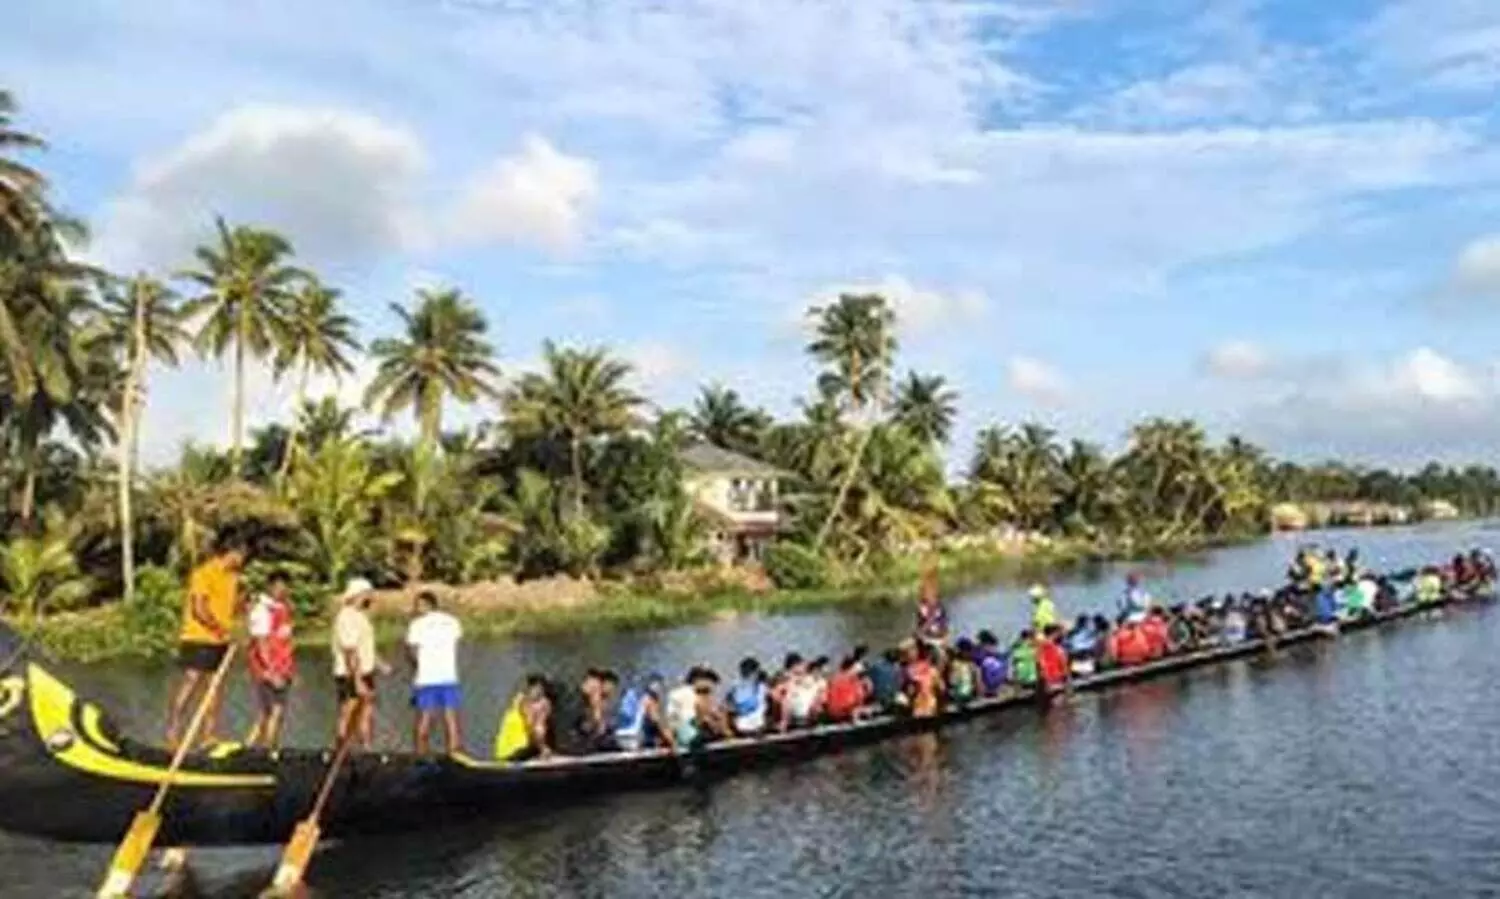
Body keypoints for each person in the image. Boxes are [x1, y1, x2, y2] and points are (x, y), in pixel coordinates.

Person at [167, 535, 247, 751]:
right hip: (198, 637)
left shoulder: (233, 578)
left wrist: (242, 606)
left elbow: (231, 607)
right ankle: (173, 732)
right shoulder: (204, 573)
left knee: (214, 688)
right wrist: (219, 629)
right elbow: (199, 609)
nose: (243, 558)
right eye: (241, 553)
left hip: (220, 640)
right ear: (231, 552)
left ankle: (208, 735)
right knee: (191, 682)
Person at [406, 590, 464, 755]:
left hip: (426, 678)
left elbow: (412, 652)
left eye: (418, 605)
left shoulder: (416, 624)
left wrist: (416, 669)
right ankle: (454, 755)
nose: (416, 609)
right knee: (451, 719)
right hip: (449, 676)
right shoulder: (453, 621)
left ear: (427, 605)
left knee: (424, 719)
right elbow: (455, 646)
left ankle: (420, 756)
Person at [332, 578, 387, 750]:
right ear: (359, 594)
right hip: (350, 673)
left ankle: (366, 748)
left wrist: (379, 663)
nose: (371, 597)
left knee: (366, 711)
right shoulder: (346, 617)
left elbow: (365, 645)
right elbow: (350, 650)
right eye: (368, 593)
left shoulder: (360, 616)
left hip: (365, 671)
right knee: (349, 711)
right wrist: (357, 680)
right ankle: (341, 749)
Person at [245, 573, 295, 749]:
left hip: (283, 668)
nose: (283, 591)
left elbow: (285, 640)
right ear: (271, 586)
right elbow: (261, 643)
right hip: (268, 670)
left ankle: (250, 747)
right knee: (275, 710)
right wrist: (271, 671)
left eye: (285, 587)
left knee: (267, 713)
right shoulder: (263, 610)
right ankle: (269, 751)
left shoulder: (282, 608)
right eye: (279, 587)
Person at [494, 674, 553, 761]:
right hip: (519, 749)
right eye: (539, 688)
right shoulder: (535, 705)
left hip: (503, 752)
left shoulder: (518, 700)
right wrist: (543, 748)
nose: (540, 692)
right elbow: (533, 728)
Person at [614, 673, 672, 751]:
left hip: (621, 736)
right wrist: (672, 742)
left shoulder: (632, 696)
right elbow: (657, 721)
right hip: (636, 739)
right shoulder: (649, 699)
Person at [575, 669, 620, 751]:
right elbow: (597, 730)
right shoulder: (577, 703)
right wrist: (597, 708)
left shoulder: (604, 703)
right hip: (582, 746)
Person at [727, 658, 770, 735]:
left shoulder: (734, 686)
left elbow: (729, 703)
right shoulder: (761, 686)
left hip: (740, 725)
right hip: (759, 724)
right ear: (756, 672)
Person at [825, 656, 869, 722]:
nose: (856, 669)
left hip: (837, 712)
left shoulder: (836, 678)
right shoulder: (850, 680)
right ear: (851, 668)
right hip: (844, 713)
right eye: (855, 667)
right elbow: (858, 698)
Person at [904, 642, 942, 718]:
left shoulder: (910, 670)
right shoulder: (933, 670)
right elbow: (941, 688)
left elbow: (910, 691)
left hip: (918, 709)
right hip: (931, 707)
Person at [915, 567, 950, 647]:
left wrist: (945, 638)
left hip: (939, 638)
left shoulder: (939, 607)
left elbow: (944, 623)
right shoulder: (922, 608)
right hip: (927, 639)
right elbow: (920, 624)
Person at [1036, 625, 1069, 695]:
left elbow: (1040, 666)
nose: (1061, 635)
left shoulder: (1040, 648)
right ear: (1054, 634)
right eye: (1059, 633)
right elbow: (1064, 667)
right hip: (1056, 682)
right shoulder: (1057, 649)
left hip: (1045, 683)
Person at [945, 638, 979, 705]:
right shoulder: (970, 665)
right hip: (965, 695)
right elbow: (953, 682)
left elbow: (952, 682)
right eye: (969, 650)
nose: (971, 653)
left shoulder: (969, 665)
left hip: (962, 695)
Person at [974, 630, 1008, 696]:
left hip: (991, 677)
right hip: (991, 677)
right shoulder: (981, 650)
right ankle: (989, 689)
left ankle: (989, 689)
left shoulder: (982, 650)